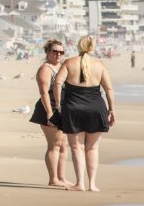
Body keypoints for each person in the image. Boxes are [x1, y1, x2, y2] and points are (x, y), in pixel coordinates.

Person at [53, 35, 115, 192]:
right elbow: (108, 89)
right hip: (97, 109)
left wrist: (59, 104)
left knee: (76, 147)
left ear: (78, 46)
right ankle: (92, 185)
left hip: (74, 109)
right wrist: (112, 110)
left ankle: (80, 183)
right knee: (93, 149)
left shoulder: (68, 63)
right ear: (92, 47)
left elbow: (58, 83)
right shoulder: (99, 65)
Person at [28, 39, 74, 188]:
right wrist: (49, 113)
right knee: (54, 144)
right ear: (47, 52)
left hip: (63, 109)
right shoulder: (45, 69)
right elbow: (44, 92)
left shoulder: (62, 67)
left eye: (61, 52)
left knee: (64, 145)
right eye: (55, 51)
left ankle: (61, 177)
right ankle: (53, 179)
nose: (58, 54)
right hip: (49, 108)